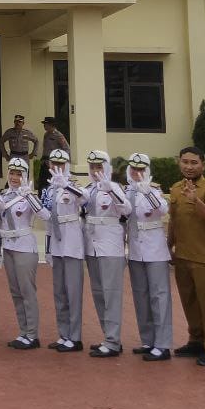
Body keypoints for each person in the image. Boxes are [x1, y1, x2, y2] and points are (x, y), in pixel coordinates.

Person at [167, 146, 205, 366]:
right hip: (182, 255)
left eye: (194, 163)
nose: (189, 167)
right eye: (185, 162)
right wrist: (168, 246)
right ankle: (196, 340)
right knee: (189, 301)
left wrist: (195, 200)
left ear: (203, 165)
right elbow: (174, 221)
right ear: (178, 162)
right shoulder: (175, 189)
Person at [124, 153, 172, 362]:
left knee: (159, 297)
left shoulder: (155, 190)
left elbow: (163, 210)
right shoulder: (125, 192)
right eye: (133, 169)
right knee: (141, 295)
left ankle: (162, 344)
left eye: (141, 169)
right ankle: (148, 340)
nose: (137, 173)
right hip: (135, 251)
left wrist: (148, 193)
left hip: (154, 250)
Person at [82, 149, 129, 358]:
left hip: (110, 246)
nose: (95, 170)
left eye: (99, 166)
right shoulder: (89, 189)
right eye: (92, 166)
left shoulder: (116, 188)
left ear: (107, 167)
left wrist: (111, 189)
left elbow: (126, 210)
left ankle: (113, 340)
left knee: (111, 294)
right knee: (99, 293)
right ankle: (108, 337)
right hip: (92, 246)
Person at [0, 157, 44, 350]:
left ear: (25, 176)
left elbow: (45, 216)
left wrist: (30, 196)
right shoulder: (3, 195)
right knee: (16, 292)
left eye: (19, 174)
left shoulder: (29, 196)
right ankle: (23, 332)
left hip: (24, 247)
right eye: (12, 173)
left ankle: (33, 335)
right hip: (8, 247)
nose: (15, 177)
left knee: (27, 291)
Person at [42, 149, 85, 352]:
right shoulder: (48, 190)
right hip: (57, 243)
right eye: (53, 164)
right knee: (59, 291)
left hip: (72, 242)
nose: (56, 167)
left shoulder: (73, 186)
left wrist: (65, 184)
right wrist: (49, 249)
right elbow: (48, 221)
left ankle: (75, 337)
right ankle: (63, 334)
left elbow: (85, 199)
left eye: (61, 164)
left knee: (73, 291)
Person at [36, 117, 70, 194]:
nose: (44, 126)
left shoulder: (58, 135)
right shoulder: (46, 134)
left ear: (51, 125)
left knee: (51, 182)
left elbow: (67, 149)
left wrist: (63, 163)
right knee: (42, 182)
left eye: (46, 124)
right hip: (45, 162)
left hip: (53, 164)